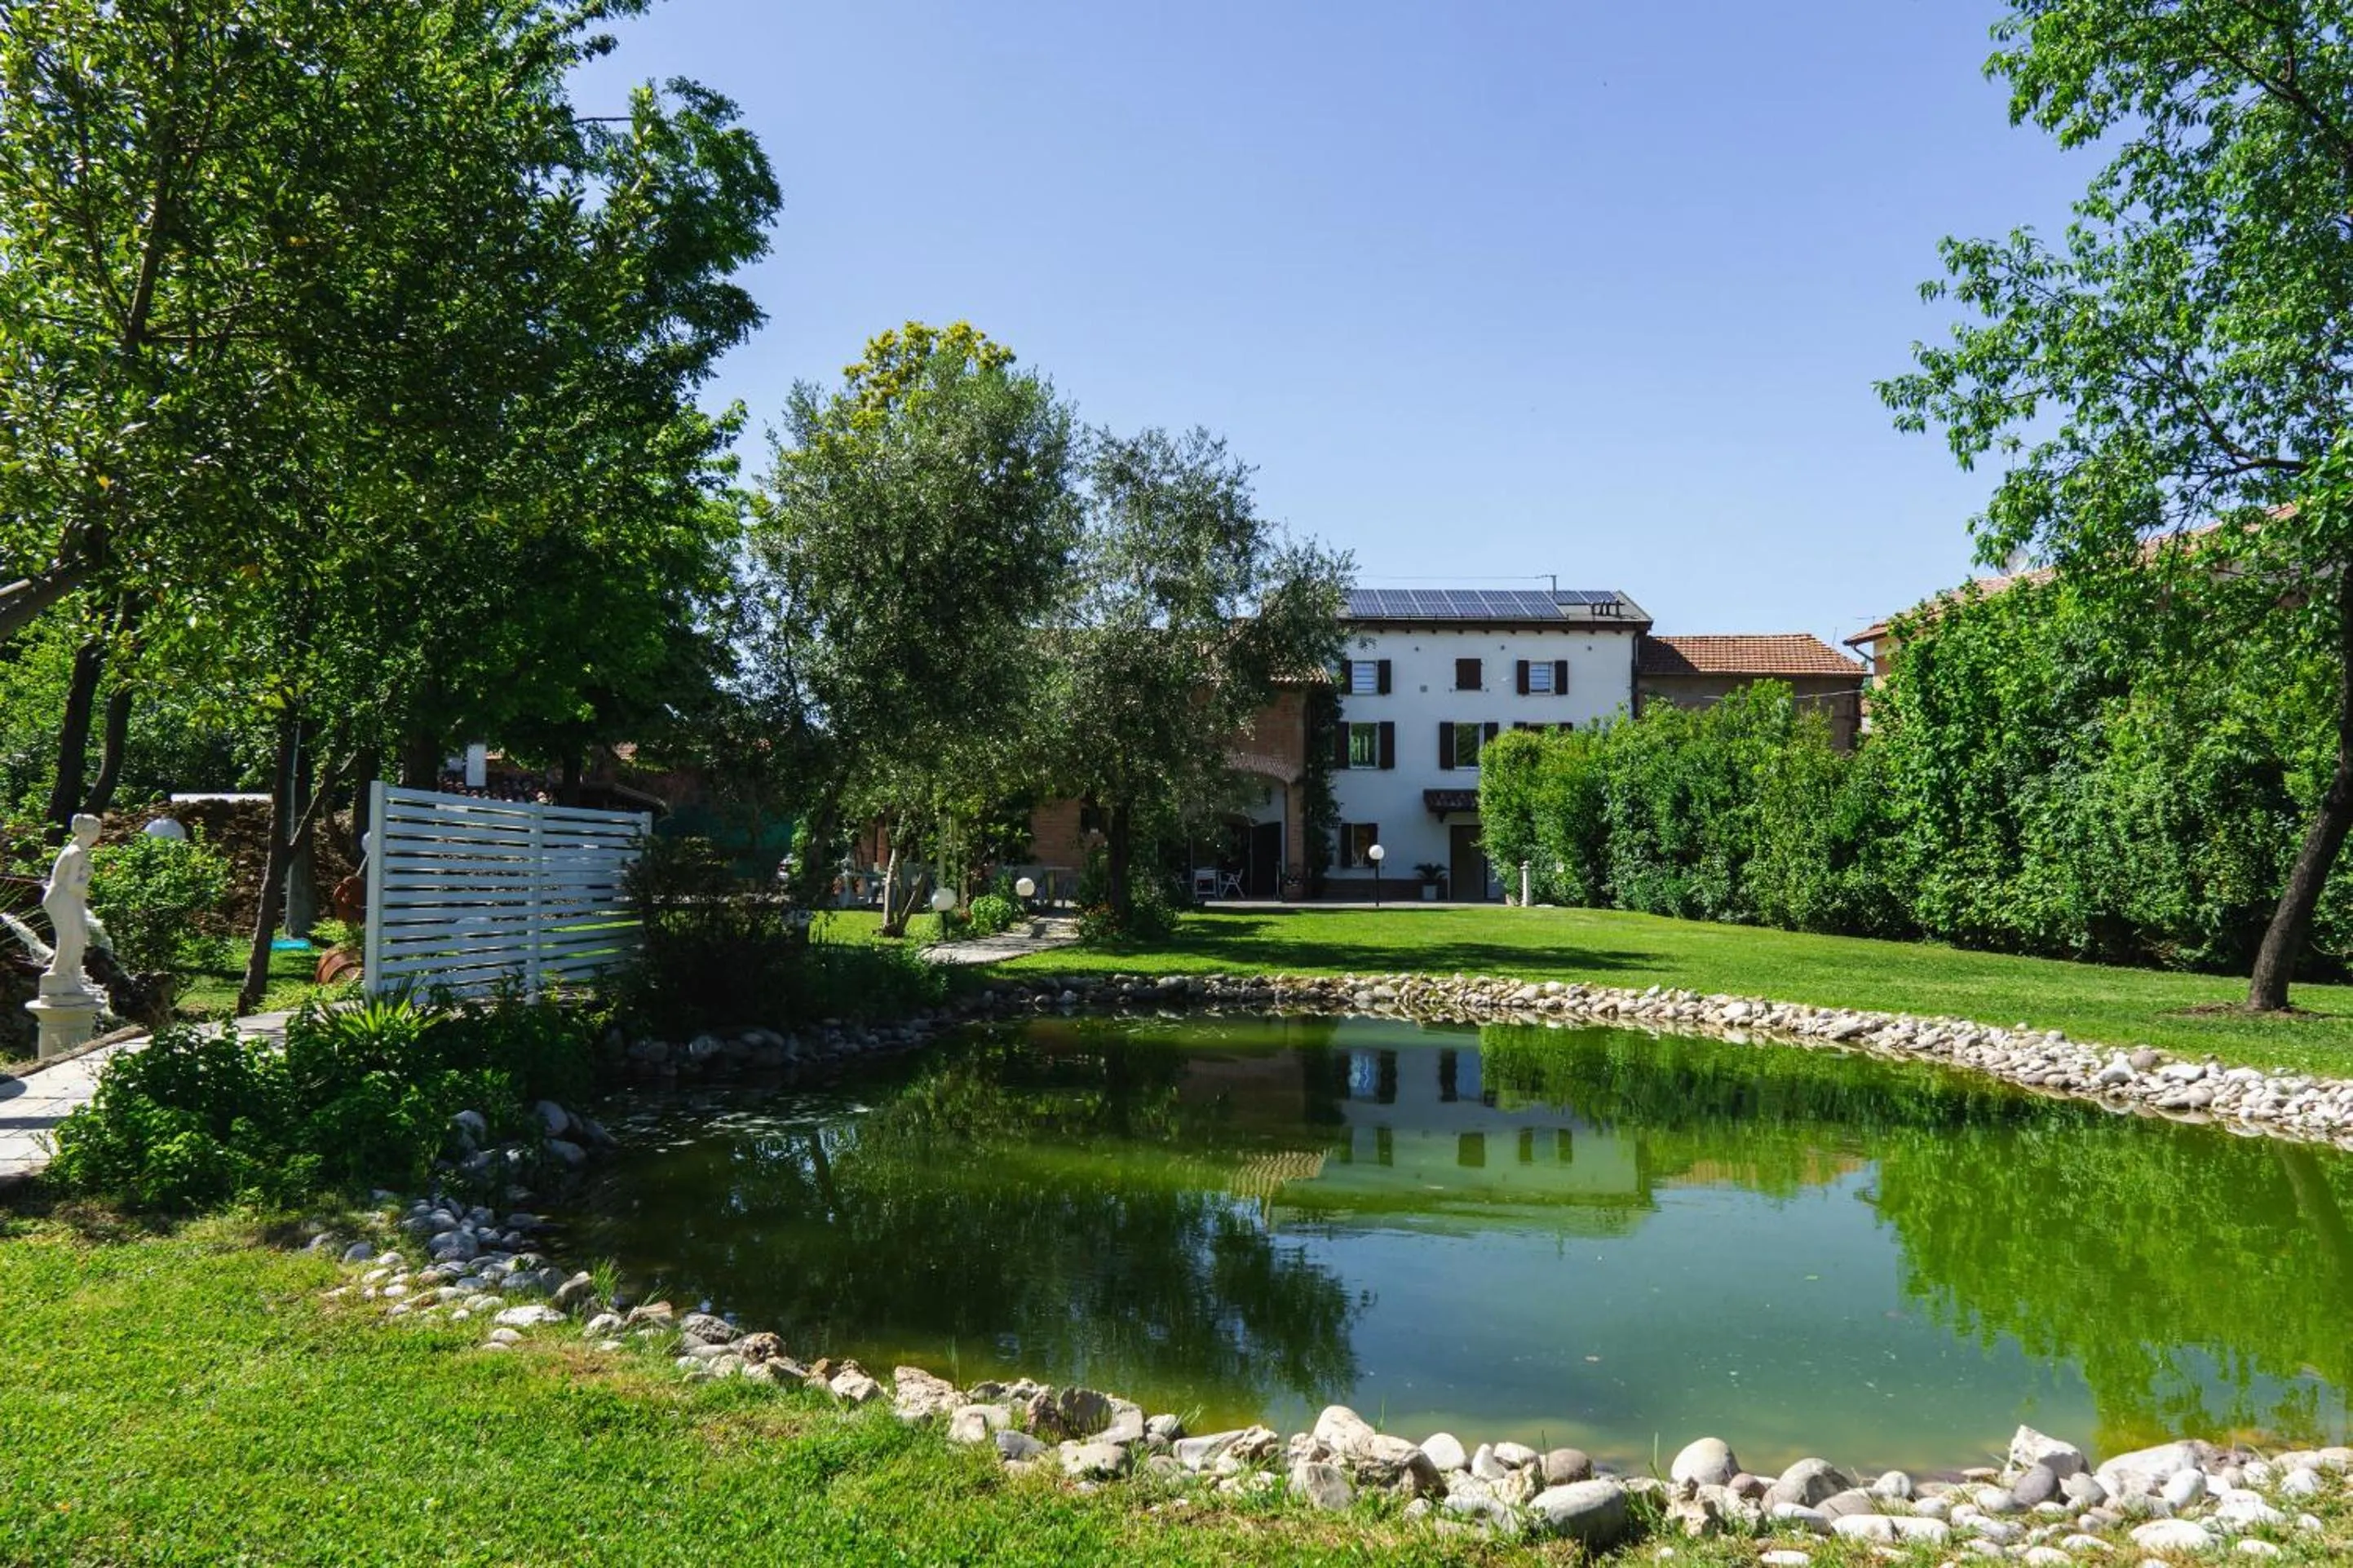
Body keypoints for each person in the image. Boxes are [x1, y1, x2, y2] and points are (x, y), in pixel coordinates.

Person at [41, 812, 100, 992]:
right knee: (71, 938)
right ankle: (57, 976)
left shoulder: (78, 851)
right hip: (62, 898)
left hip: (67, 897)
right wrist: (88, 876)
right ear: (89, 832)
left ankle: (73, 976)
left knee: (79, 936)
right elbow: (72, 886)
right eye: (98, 830)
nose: (99, 834)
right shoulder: (75, 854)